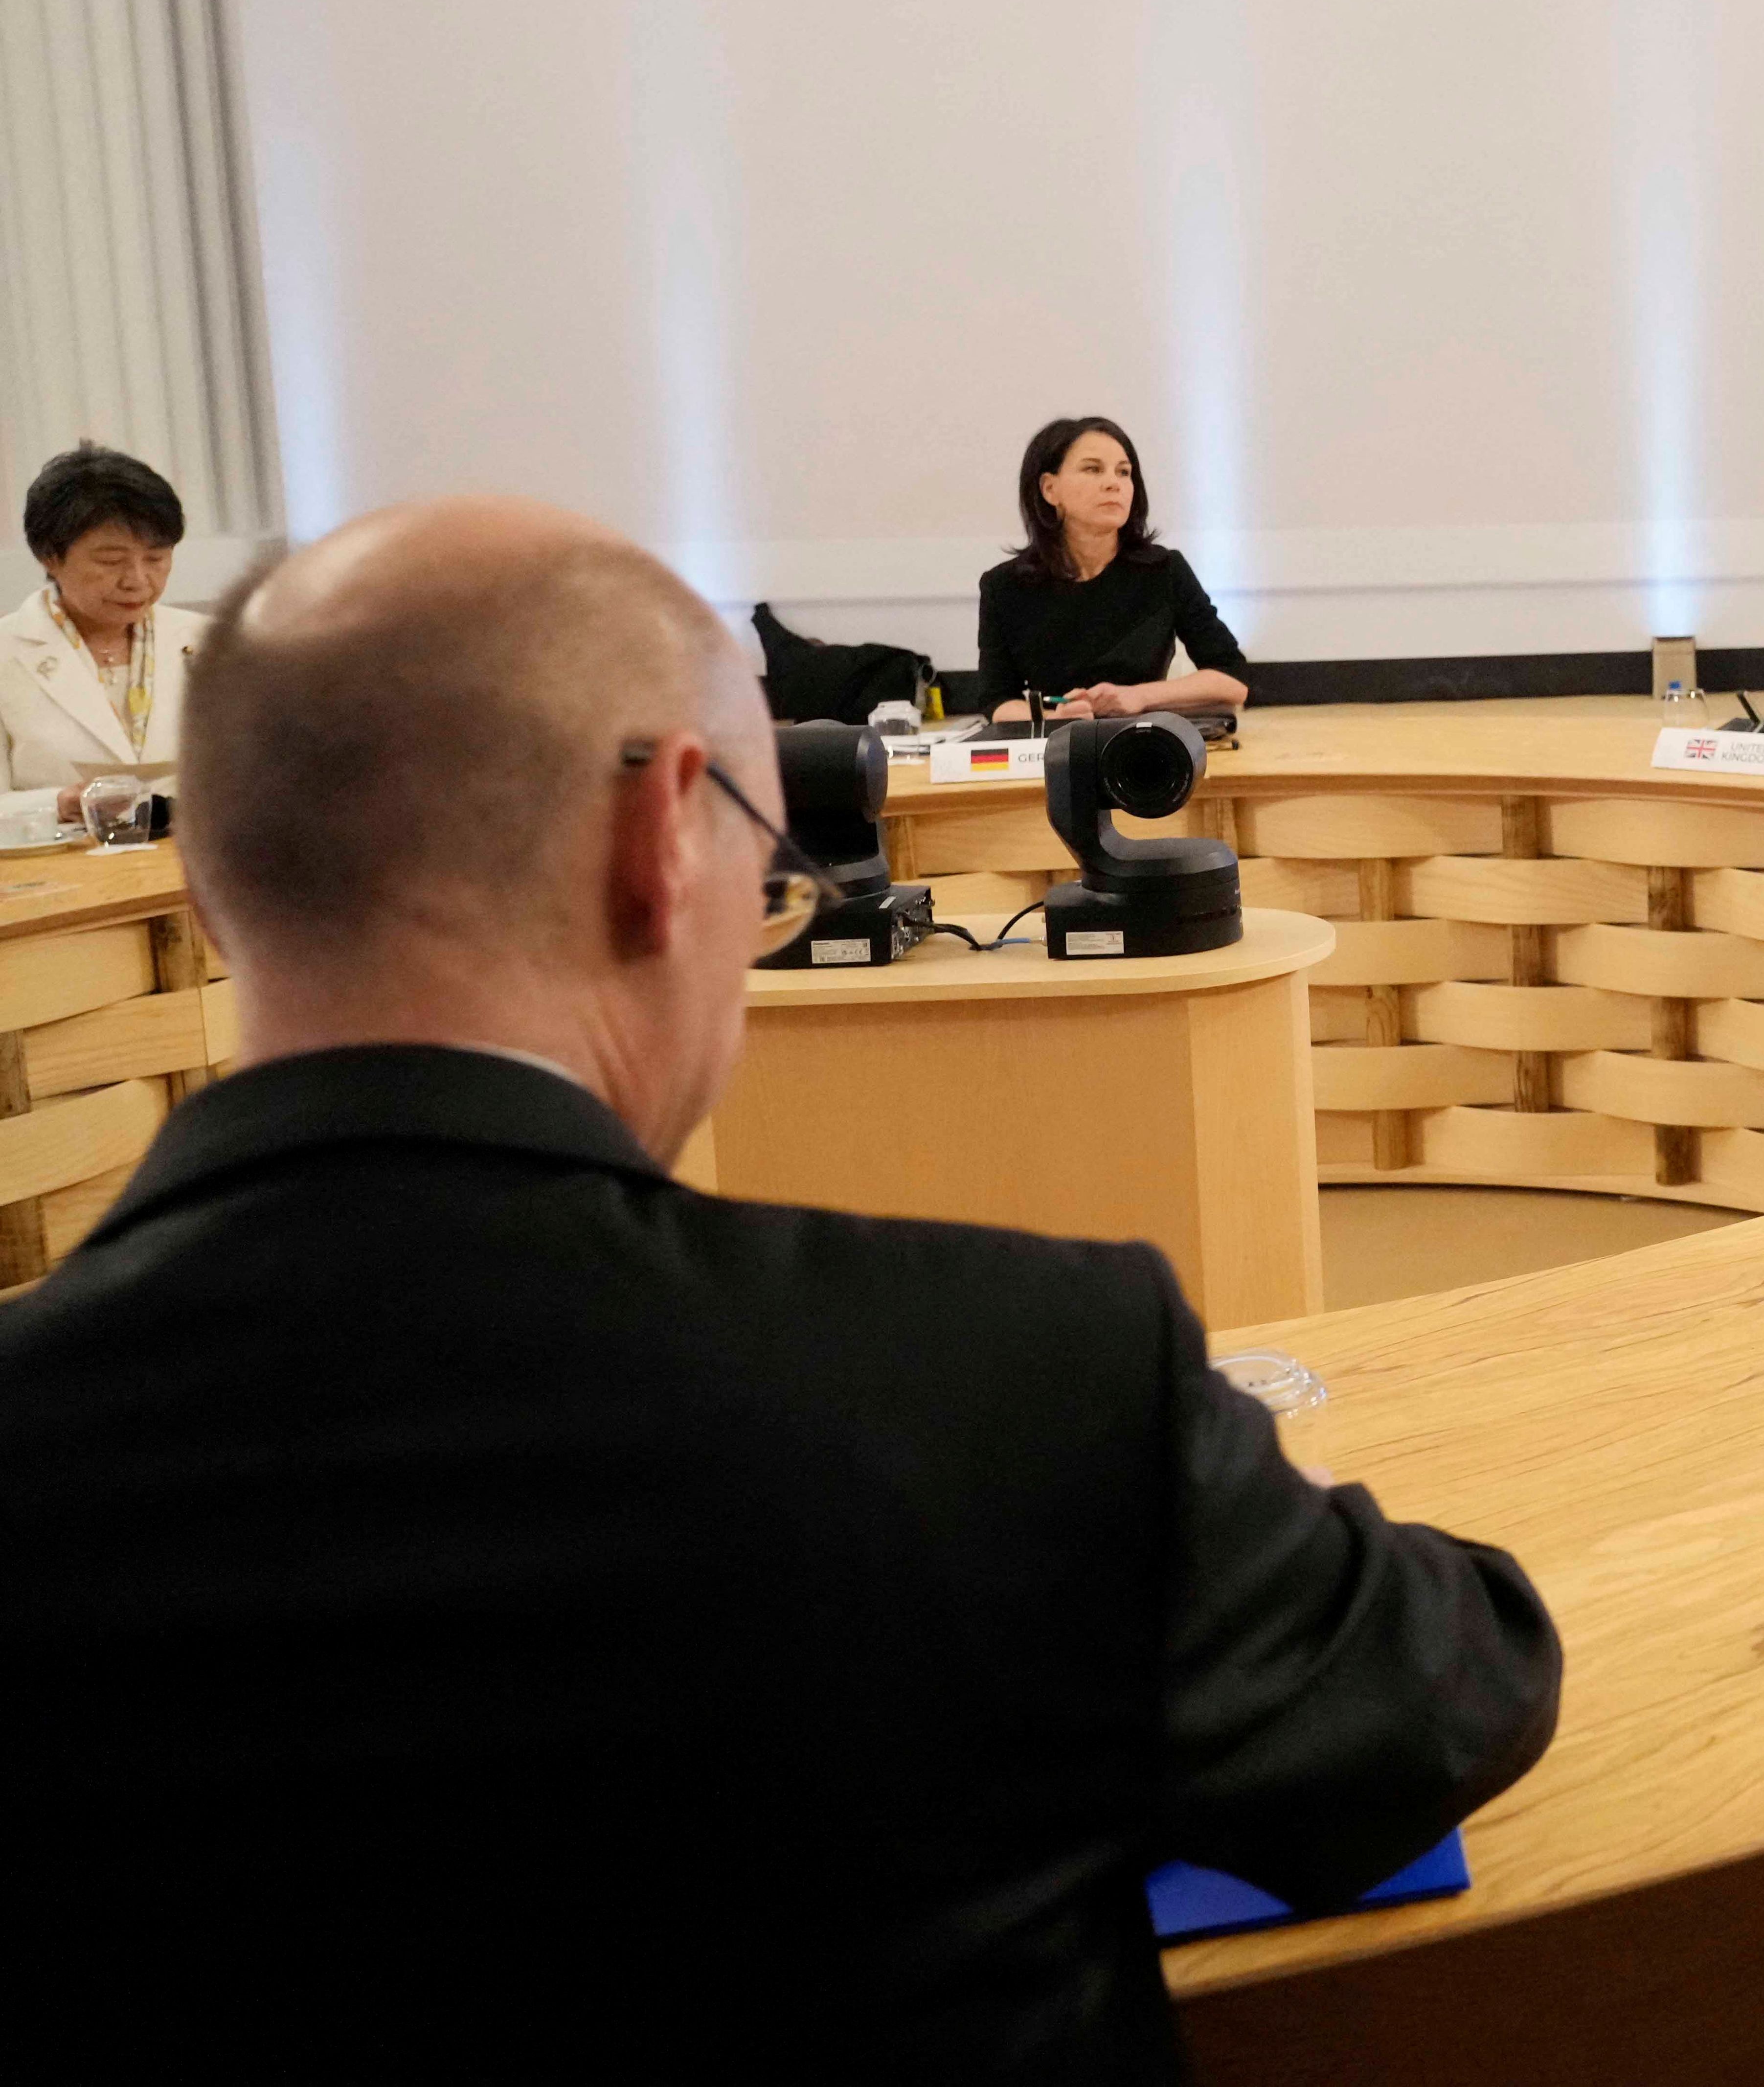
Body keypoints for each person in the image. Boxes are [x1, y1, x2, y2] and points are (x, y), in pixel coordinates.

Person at [0, 499, 1560, 2077]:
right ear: (661, 842)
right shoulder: (1022, 1377)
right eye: (767, 868)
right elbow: (1442, 1698)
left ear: (205, 884)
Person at [976, 415, 1254, 724]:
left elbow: (1233, 680)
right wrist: (1056, 715)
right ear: (1049, 489)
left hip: (1143, 742)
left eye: (1124, 473)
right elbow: (997, 702)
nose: (1113, 484)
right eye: (1093, 469)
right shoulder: (1004, 586)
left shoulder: (1164, 570)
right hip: (1053, 747)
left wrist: (1138, 696)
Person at [0, 443, 205, 841]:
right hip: (59, 887)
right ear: (49, 556)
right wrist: (59, 803)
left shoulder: (213, 642)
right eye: (112, 561)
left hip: (199, 876)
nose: (138, 580)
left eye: (157, 558)